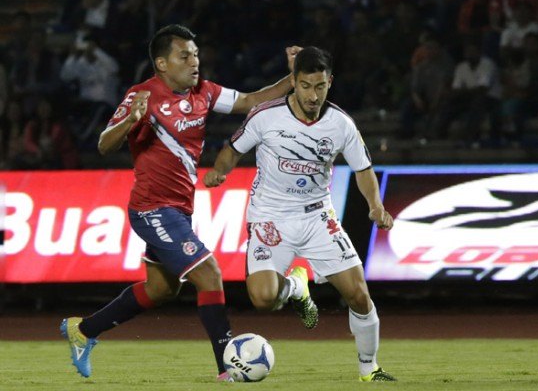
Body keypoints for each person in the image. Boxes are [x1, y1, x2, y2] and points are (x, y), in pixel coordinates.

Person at [60, 24, 300, 382]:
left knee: (161, 289)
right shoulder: (142, 95)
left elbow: (250, 100)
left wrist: (293, 76)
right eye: (184, 55)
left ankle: (84, 330)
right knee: (210, 275)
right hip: (151, 209)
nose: (194, 61)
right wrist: (131, 120)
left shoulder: (204, 92)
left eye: (196, 54)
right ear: (161, 63)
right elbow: (104, 145)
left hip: (179, 211)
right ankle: (226, 366)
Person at [204, 46, 397, 382]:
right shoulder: (266, 116)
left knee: (358, 293)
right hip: (269, 217)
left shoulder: (341, 124)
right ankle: (296, 287)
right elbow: (232, 151)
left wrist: (376, 206)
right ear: (293, 82)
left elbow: (364, 169)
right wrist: (220, 172)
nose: (313, 95)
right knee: (263, 298)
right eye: (306, 86)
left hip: (317, 217)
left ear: (330, 82)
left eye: (320, 87)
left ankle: (370, 368)